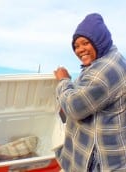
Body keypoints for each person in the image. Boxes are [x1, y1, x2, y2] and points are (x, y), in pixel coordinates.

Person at [54, 13, 126, 171]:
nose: (80, 50)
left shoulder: (104, 71)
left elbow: (74, 108)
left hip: (104, 161)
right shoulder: (111, 57)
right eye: (76, 46)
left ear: (99, 40)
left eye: (85, 43)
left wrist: (63, 81)